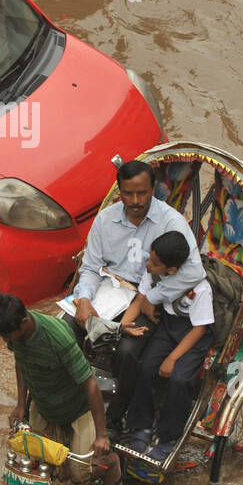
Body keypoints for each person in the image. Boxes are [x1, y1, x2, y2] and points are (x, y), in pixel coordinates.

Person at [71, 159, 204, 428]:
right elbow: (90, 267)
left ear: (153, 188)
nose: (135, 200)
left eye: (142, 193)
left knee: (128, 351)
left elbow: (194, 272)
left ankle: (116, 417)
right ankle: (72, 402)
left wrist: (152, 297)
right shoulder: (105, 219)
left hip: (148, 298)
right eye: (128, 193)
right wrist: (84, 299)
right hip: (108, 292)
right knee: (66, 330)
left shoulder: (171, 222)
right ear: (119, 192)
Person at [0, 293, 122, 485]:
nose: (6, 341)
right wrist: (20, 405)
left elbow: (90, 385)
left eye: (7, 335)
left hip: (78, 409)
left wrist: (102, 435)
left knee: (79, 472)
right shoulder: (15, 335)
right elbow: (20, 362)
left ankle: (112, 464)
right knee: (37, 464)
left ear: (24, 323)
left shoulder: (57, 338)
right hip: (44, 405)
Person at [120, 231, 216, 463]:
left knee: (180, 380)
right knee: (145, 368)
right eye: (150, 258)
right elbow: (141, 299)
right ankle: (141, 425)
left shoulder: (199, 289)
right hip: (168, 326)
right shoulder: (153, 273)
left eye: (154, 262)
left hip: (192, 334)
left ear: (171, 270)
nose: (148, 264)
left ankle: (168, 437)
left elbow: (199, 330)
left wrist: (172, 358)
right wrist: (124, 324)